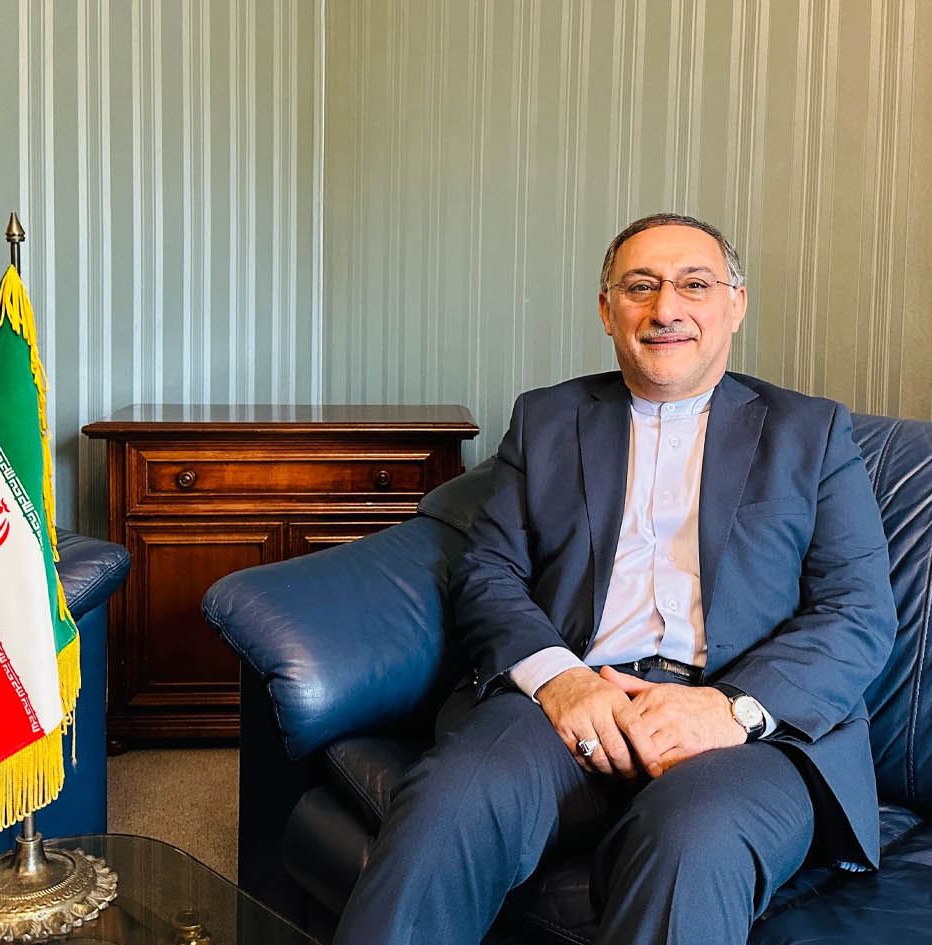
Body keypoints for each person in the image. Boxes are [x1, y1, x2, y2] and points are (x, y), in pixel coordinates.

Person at [332, 212, 898, 945]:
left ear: (735, 304)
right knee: (450, 801)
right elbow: (490, 570)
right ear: (608, 310)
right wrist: (560, 679)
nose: (666, 309)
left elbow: (856, 610)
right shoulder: (546, 418)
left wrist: (728, 709)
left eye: (695, 285)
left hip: (746, 732)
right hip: (573, 701)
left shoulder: (811, 432)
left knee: (691, 840)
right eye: (641, 287)